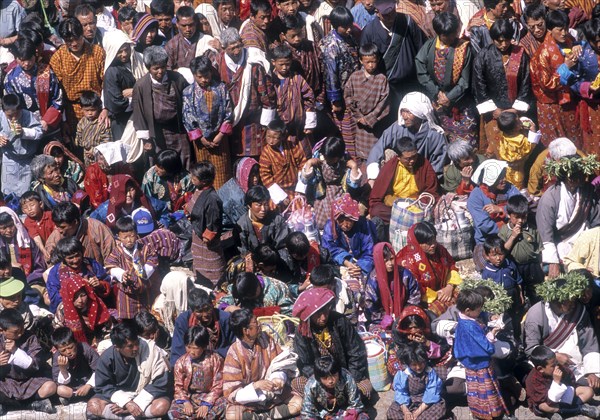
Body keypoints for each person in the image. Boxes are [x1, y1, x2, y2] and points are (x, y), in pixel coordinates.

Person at [523, 273, 600, 392]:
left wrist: (591, 372)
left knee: (594, 383)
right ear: (557, 302)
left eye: (574, 300)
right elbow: (531, 348)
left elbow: (589, 342)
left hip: (574, 362)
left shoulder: (579, 310)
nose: (573, 305)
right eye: (569, 302)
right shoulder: (536, 313)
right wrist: (555, 357)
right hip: (548, 361)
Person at [292, 288, 372, 399]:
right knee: (297, 383)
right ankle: (336, 400)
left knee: (365, 389)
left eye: (325, 311)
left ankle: (336, 401)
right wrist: (322, 382)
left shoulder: (340, 321)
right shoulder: (302, 331)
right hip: (320, 379)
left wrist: (348, 380)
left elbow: (356, 352)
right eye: (318, 314)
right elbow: (305, 363)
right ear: (309, 314)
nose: (323, 317)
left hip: (345, 374)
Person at [222, 308, 303, 419]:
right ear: (246, 331)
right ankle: (270, 416)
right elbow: (232, 393)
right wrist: (256, 386)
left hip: (272, 395)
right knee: (232, 415)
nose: (260, 325)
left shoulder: (266, 338)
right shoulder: (234, 354)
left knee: (298, 403)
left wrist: (277, 378)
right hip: (249, 402)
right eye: (256, 323)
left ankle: (262, 417)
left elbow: (280, 363)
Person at [86, 322, 171, 419]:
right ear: (117, 348)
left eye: (136, 343)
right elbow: (104, 386)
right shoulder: (107, 358)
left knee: (161, 406)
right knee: (93, 406)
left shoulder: (151, 350)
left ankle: (130, 415)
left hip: (145, 395)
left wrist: (137, 403)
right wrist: (125, 402)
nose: (136, 348)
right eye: (130, 346)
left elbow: (160, 383)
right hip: (118, 396)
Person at [473, 19, 532, 158]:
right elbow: (479, 85)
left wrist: (515, 109)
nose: (504, 44)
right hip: (494, 113)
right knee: (497, 150)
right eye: (499, 41)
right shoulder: (483, 55)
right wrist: (494, 110)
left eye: (507, 40)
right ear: (493, 39)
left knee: (518, 151)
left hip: (516, 112)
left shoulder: (520, 54)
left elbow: (526, 82)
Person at [416, 12, 477, 146]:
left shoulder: (464, 48)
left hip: (461, 102)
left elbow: (465, 80)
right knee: (443, 138)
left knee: (466, 141)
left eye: (452, 34)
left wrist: (449, 97)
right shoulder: (429, 46)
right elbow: (421, 71)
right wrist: (437, 93)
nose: (450, 38)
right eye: (446, 35)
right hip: (438, 102)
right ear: (438, 34)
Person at [215, 27, 277, 159]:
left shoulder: (253, 63)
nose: (237, 51)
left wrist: (266, 123)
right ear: (224, 47)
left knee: (254, 158)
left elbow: (266, 94)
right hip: (228, 122)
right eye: (232, 48)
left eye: (239, 46)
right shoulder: (217, 62)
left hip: (253, 122)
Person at [535, 154, 600, 278]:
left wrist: (593, 251)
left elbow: (596, 222)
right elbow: (546, 234)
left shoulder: (588, 191)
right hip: (560, 247)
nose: (579, 179)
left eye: (581, 175)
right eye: (574, 176)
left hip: (584, 247)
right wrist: (553, 262)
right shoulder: (550, 198)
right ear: (565, 177)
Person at [453, 289, 510, 420]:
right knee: (487, 389)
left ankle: (479, 412)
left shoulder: (464, 319)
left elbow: (481, 316)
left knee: (476, 391)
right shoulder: (470, 327)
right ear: (468, 310)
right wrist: (493, 333)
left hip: (470, 364)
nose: (481, 312)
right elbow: (485, 345)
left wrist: (490, 317)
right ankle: (492, 414)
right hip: (480, 364)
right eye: (479, 310)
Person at [132, 45, 191, 170]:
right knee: (161, 163)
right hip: (157, 131)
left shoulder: (177, 79)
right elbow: (139, 113)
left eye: (163, 67)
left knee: (184, 160)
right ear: (148, 68)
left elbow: (188, 101)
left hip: (178, 129)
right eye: (156, 68)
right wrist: (146, 140)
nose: (160, 71)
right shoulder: (141, 85)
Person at [530, 10, 583, 148]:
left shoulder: (569, 40)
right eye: (560, 30)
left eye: (566, 28)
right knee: (556, 146)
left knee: (574, 141)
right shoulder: (544, 52)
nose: (564, 33)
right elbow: (546, 83)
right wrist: (565, 67)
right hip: (551, 104)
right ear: (550, 30)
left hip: (568, 100)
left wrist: (577, 45)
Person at [367, 91, 448, 180]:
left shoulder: (435, 135)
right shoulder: (397, 128)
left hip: (423, 178)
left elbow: (437, 166)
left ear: (420, 113)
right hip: (400, 175)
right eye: (403, 111)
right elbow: (378, 147)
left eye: (409, 112)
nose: (404, 116)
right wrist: (372, 176)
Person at [360, 0, 426, 108]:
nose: (391, 18)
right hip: (388, 88)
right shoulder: (369, 32)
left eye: (393, 13)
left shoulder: (407, 21)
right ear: (377, 12)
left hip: (412, 83)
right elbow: (366, 63)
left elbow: (421, 48)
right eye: (386, 15)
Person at [50, 17, 106, 141]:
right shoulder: (57, 58)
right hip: (71, 113)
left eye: (77, 38)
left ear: (82, 35)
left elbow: (106, 83)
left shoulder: (97, 52)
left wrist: (105, 109)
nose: (74, 44)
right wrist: (63, 120)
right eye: (69, 41)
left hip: (96, 110)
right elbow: (58, 94)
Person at [182, 56, 233, 189]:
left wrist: (221, 135)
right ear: (194, 75)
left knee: (222, 172)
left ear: (211, 72)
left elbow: (228, 113)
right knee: (203, 173)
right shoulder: (188, 93)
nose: (204, 80)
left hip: (220, 141)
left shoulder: (221, 88)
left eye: (206, 75)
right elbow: (187, 116)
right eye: (200, 77)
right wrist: (200, 138)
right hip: (201, 143)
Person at [368, 137, 440, 224]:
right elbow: (376, 196)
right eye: (408, 159)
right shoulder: (390, 166)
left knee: (435, 208)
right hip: (396, 206)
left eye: (414, 156)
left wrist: (417, 203)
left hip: (417, 204)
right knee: (377, 211)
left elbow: (432, 191)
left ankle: (407, 220)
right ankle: (412, 221)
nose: (412, 161)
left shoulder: (423, 164)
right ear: (398, 157)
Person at [397, 222, 462, 317]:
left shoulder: (439, 250)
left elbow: (451, 266)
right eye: (428, 243)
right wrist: (437, 295)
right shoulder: (407, 261)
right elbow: (414, 289)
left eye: (434, 240)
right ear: (417, 243)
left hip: (445, 291)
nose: (433, 245)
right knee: (434, 311)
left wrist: (449, 286)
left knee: (464, 293)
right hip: (424, 299)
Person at [319, 6, 360, 156]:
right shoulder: (331, 45)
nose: (349, 29)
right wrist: (335, 100)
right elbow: (331, 75)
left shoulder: (350, 37)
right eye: (345, 26)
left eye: (350, 25)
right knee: (346, 128)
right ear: (335, 25)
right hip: (341, 95)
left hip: (354, 90)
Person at [0, 308, 57, 415]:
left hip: (29, 379)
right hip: (6, 382)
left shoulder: (30, 337)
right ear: (2, 330)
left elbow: (35, 364)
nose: (21, 334)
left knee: (50, 387)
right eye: (16, 332)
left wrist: (15, 350)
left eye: (22, 329)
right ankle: (31, 404)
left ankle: (11, 405)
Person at [299, 136, 363, 230]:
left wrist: (354, 167)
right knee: (323, 223)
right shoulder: (318, 158)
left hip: (340, 194)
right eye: (325, 156)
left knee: (340, 222)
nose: (326, 159)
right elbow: (305, 180)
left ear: (337, 157)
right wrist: (309, 163)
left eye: (328, 158)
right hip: (322, 193)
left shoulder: (345, 161)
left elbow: (354, 184)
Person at [466, 159, 521, 267]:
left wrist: (501, 210)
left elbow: (520, 206)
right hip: (487, 241)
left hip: (512, 235)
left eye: (504, 176)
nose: (504, 180)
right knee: (487, 266)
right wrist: (508, 228)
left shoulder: (509, 189)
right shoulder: (476, 196)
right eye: (500, 178)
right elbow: (484, 225)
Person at [3, 37, 63, 136]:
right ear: (16, 58)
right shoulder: (10, 78)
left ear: (35, 54)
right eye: (22, 60)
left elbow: (58, 99)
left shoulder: (47, 73)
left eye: (30, 59)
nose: (27, 63)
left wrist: (46, 120)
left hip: (49, 126)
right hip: (25, 129)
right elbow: (10, 106)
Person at [343, 42, 390, 163]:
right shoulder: (355, 77)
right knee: (361, 153)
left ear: (378, 60)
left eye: (373, 61)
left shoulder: (381, 79)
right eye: (367, 62)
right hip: (359, 123)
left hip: (375, 124)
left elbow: (384, 103)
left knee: (376, 154)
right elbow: (348, 96)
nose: (371, 65)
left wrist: (369, 119)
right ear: (360, 60)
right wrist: (359, 117)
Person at [525, 345, 600, 419]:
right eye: (553, 365)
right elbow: (550, 401)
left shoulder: (558, 367)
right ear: (541, 369)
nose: (556, 366)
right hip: (548, 401)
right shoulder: (533, 380)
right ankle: (579, 409)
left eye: (556, 362)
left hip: (562, 398)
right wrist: (556, 382)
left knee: (589, 391)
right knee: (544, 407)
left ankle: (560, 412)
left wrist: (564, 382)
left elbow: (571, 382)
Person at [105, 216, 158, 319]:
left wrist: (140, 271)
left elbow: (153, 262)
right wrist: (121, 274)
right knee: (128, 321)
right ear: (118, 237)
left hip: (145, 292)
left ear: (136, 234)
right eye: (125, 237)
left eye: (132, 236)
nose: (129, 240)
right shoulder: (116, 252)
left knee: (145, 318)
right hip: (126, 295)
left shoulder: (145, 248)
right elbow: (110, 266)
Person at [170, 325, 227, 419]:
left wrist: (207, 403)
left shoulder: (215, 359)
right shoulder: (181, 362)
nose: (192, 351)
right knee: (174, 411)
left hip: (209, 396)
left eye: (195, 348)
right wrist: (186, 402)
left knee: (223, 404)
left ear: (204, 346)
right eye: (189, 347)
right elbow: (178, 385)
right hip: (190, 397)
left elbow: (219, 384)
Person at [47, 236, 111, 315]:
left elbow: (107, 281)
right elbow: (54, 297)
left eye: (77, 255)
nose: (75, 260)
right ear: (63, 258)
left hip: (96, 308)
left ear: (82, 252)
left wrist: (99, 285)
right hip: (69, 312)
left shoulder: (91, 264)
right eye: (70, 258)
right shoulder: (55, 272)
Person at [498, 194, 544, 304]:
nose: (520, 220)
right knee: (518, 293)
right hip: (514, 266)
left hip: (532, 266)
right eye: (517, 217)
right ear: (509, 215)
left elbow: (540, 249)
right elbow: (503, 251)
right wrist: (513, 236)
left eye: (523, 217)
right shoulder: (504, 230)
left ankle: (536, 308)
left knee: (536, 292)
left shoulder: (532, 229)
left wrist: (541, 267)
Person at [102, 29, 146, 140]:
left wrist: (134, 91)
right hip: (122, 121)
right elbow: (116, 103)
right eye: (120, 51)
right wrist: (139, 96)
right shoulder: (112, 72)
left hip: (141, 118)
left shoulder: (138, 60)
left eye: (126, 49)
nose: (124, 54)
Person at [171, 287, 235, 365]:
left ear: (212, 304)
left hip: (221, 362)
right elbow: (177, 352)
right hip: (191, 364)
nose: (205, 315)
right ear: (192, 310)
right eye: (199, 312)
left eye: (207, 309)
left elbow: (234, 345)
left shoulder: (225, 318)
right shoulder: (183, 321)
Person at [365, 242, 421, 329]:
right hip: (381, 321)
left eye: (391, 259)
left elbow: (415, 297)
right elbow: (370, 304)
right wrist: (383, 318)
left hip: (405, 318)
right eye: (385, 261)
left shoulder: (405, 275)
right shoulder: (373, 280)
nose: (390, 263)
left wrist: (404, 315)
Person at [386, 305, 453, 378]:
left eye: (416, 327)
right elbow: (400, 350)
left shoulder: (433, 326)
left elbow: (444, 347)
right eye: (410, 328)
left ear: (422, 325)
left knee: (449, 356)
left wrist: (427, 343)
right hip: (411, 361)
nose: (413, 331)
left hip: (431, 359)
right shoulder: (398, 329)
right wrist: (409, 343)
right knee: (393, 362)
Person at [187, 161, 226, 287]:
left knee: (210, 265)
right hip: (197, 236)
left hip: (206, 241)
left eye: (194, 177)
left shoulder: (213, 199)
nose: (191, 179)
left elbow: (214, 221)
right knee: (199, 264)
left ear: (203, 181)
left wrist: (207, 237)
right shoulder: (198, 190)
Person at [387, 342, 447, 420]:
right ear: (408, 364)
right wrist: (406, 412)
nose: (418, 367)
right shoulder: (403, 373)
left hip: (426, 403)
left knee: (439, 409)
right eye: (414, 365)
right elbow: (401, 392)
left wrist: (417, 413)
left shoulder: (430, 372)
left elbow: (432, 393)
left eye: (421, 363)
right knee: (392, 412)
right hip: (409, 400)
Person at [322, 193, 377, 277]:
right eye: (341, 221)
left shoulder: (364, 225)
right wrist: (346, 261)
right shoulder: (330, 226)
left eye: (349, 220)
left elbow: (370, 250)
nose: (345, 225)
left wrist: (360, 267)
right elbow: (328, 249)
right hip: (340, 263)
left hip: (360, 265)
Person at [45, 202, 116, 266]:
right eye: (57, 227)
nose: (59, 230)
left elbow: (112, 256)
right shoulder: (56, 236)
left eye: (63, 227)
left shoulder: (96, 228)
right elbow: (50, 263)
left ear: (75, 222)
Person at [0, 93, 43, 198]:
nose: (14, 118)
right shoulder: (0, 116)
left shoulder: (28, 115)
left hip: (27, 160)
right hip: (9, 158)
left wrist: (24, 132)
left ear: (21, 109)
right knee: (8, 191)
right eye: (10, 116)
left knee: (26, 191)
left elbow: (39, 132)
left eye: (17, 114)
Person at [481, 235, 525, 335]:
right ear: (487, 256)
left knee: (515, 317)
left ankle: (517, 336)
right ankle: (502, 337)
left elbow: (518, 281)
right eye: (494, 255)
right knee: (500, 320)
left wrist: (521, 294)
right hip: (497, 299)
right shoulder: (487, 272)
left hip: (513, 294)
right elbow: (485, 291)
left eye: (500, 254)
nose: (498, 258)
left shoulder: (510, 265)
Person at [301, 356, 369, 419]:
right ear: (319, 378)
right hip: (322, 414)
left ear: (338, 373)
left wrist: (348, 417)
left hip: (345, 411)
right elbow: (307, 412)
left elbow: (356, 405)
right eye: (325, 378)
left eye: (334, 375)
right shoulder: (311, 385)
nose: (330, 381)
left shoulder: (347, 378)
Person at [89, 174, 165, 229]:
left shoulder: (144, 201)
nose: (128, 195)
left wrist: (163, 224)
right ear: (117, 192)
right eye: (124, 191)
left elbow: (163, 209)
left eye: (132, 190)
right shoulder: (106, 209)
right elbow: (91, 224)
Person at [236, 185, 292, 257]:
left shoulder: (277, 220)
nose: (263, 209)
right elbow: (243, 251)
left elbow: (282, 246)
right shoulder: (241, 225)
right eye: (258, 205)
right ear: (249, 205)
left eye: (265, 204)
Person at [258, 119, 306, 198]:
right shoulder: (266, 153)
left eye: (275, 138)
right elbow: (265, 176)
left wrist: (300, 189)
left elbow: (302, 163)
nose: (271, 141)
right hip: (278, 191)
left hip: (295, 189)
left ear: (283, 136)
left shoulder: (291, 146)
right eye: (268, 136)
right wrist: (281, 196)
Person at [51, 326, 99, 404]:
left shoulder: (86, 349)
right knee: (60, 390)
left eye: (71, 347)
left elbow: (99, 369)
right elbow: (57, 381)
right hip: (72, 387)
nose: (68, 352)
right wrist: (63, 370)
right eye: (63, 350)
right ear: (58, 350)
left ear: (75, 342)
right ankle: (80, 396)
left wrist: (88, 385)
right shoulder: (57, 357)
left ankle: (75, 398)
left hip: (89, 383)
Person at [0, 208, 46, 289]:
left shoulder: (27, 241)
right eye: (3, 228)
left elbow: (39, 266)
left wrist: (27, 281)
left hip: (29, 281)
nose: (9, 230)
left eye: (11, 225)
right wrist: (10, 266)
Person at [496, 111, 540, 189]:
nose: (521, 122)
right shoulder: (518, 141)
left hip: (506, 167)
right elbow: (529, 147)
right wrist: (533, 131)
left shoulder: (505, 133)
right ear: (513, 129)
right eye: (518, 122)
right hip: (517, 171)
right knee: (517, 187)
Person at [218, 270, 294, 316]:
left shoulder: (278, 288)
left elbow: (290, 313)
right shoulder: (238, 287)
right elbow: (221, 305)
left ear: (258, 286)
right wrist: (230, 308)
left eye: (250, 296)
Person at [84, 142, 134, 209]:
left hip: (123, 205)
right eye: (100, 159)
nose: (102, 163)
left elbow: (130, 189)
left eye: (105, 160)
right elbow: (96, 199)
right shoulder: (93, 171)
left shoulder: (123, 168)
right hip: (102, 208)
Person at [218, 157, 261, 231]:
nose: (255, 179)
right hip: (226, 231)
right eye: (251, 176)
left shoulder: (236, 181)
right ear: (244, 175)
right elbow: (244, 224)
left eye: (256, 175)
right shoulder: (238, 197)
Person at [75, 91, 113, 165]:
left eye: (93, 110)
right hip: (86, 154)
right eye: (87, 110)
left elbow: (107, 141)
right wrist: (78, 141)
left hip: (100, 156)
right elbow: (78, 135)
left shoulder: (102, 123)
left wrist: (94, 151)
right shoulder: (81, 122)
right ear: (82, 109)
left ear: (98, 108)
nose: (90, 113)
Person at [20, 191, 55, 258]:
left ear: (41, 204)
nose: (29, 209)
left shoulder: (50, 215)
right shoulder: (28, 221)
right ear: (23, 211)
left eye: (32, 205)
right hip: (42, 250)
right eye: (25, 208)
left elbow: (56, 233)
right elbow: (36, 237)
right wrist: (44, 251)